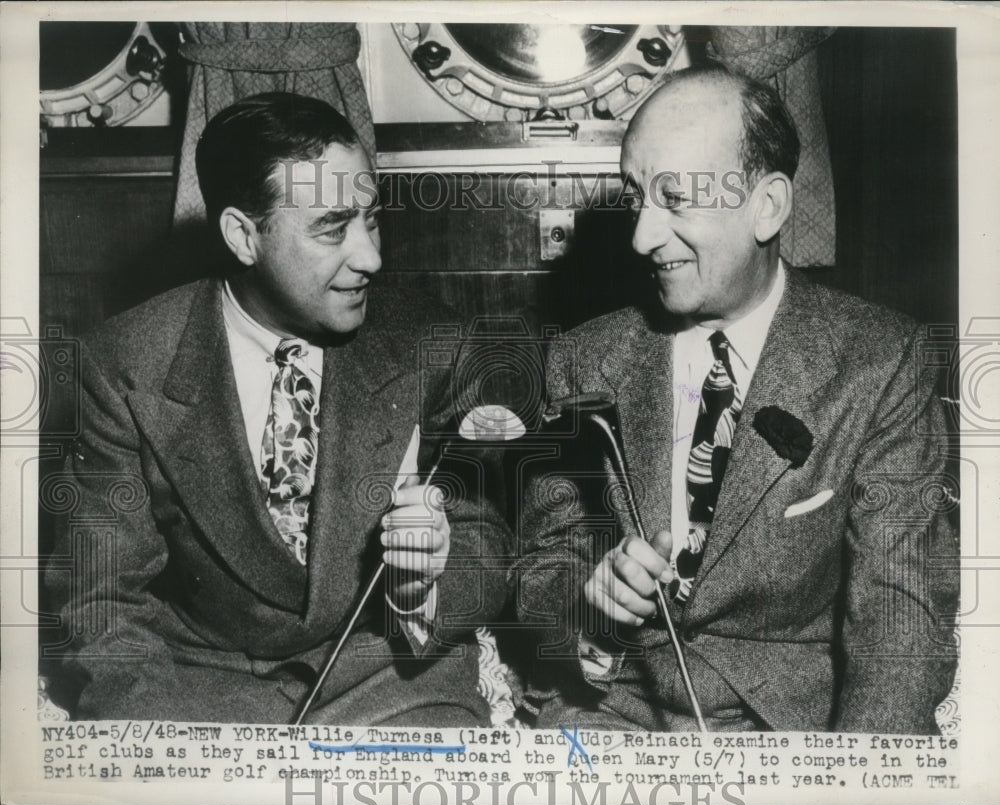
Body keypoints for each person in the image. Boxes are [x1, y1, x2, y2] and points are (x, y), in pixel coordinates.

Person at [513, 64, 958, 733]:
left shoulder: (880, 361)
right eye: (636, 196)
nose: (641, 237)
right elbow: (541, 563)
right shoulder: (583, 356)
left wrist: (864, 783)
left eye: (676, 199)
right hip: (612, 709)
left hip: (784, 721)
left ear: (769, 205)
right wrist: (586, 603)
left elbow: (900, 618)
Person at [43, 92, 510, 725]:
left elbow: (487, 538)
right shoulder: (122, 364)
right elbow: (99, 598)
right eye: (331, 227)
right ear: (243, 235)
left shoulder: (435, 344)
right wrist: (151, 724)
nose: (371, 255)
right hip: (196, 685)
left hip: (390, 677)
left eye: (371, 218)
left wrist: (421, 590)